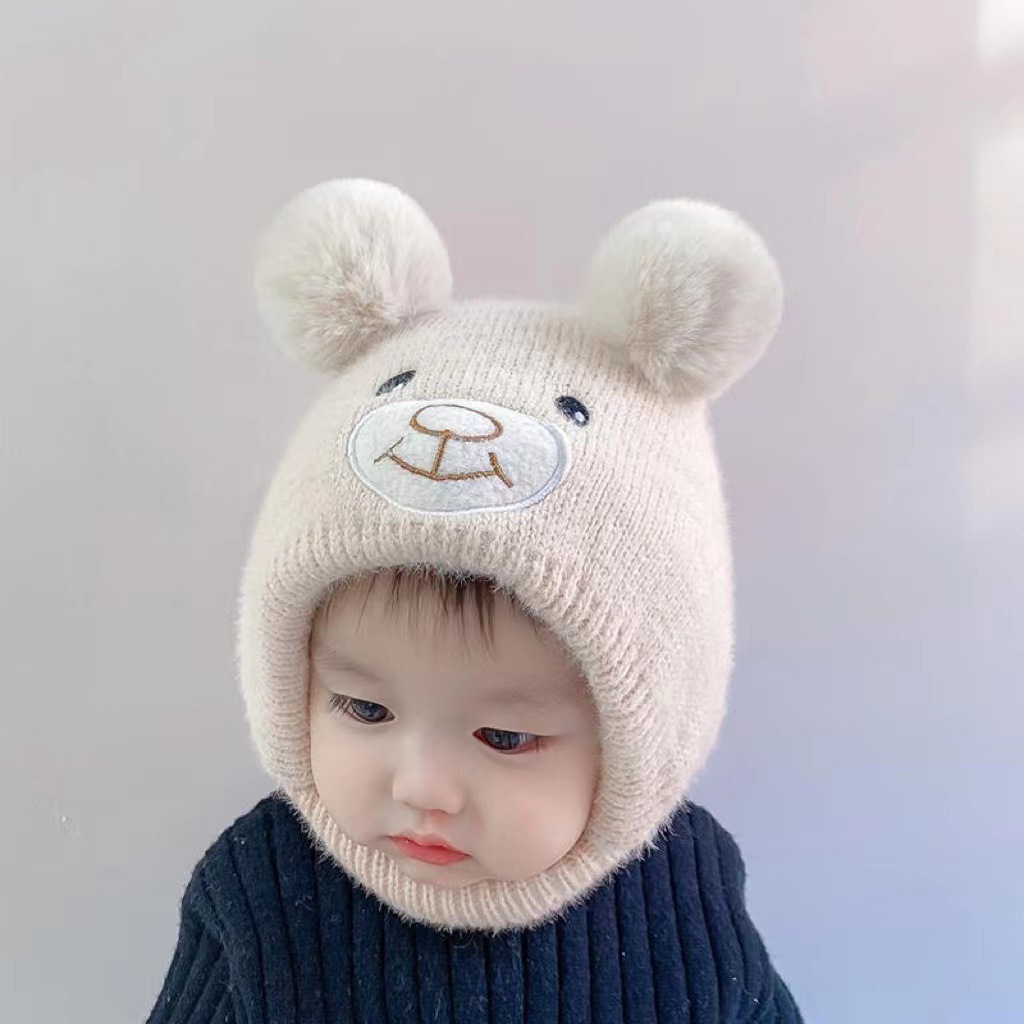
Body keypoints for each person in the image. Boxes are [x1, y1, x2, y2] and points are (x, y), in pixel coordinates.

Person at [146, 178, 804, 1022]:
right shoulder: (262, 889)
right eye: (364, 708)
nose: (423, 787)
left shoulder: (685, 897)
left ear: (642, 743)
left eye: (506, 736)